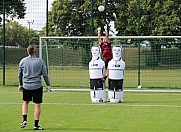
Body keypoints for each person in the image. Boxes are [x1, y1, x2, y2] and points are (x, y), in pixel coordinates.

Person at [18, 44, 51, 130]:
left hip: (26, 86)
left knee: (25, 102)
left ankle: (24, 120)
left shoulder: (22, 61)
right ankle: (36, 125)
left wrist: (20, 84)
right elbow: (45, 74)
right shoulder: (40, 61)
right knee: (37, 105)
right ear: (35, 52)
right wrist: (48, 84)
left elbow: (19, 74)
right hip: (37, 86)